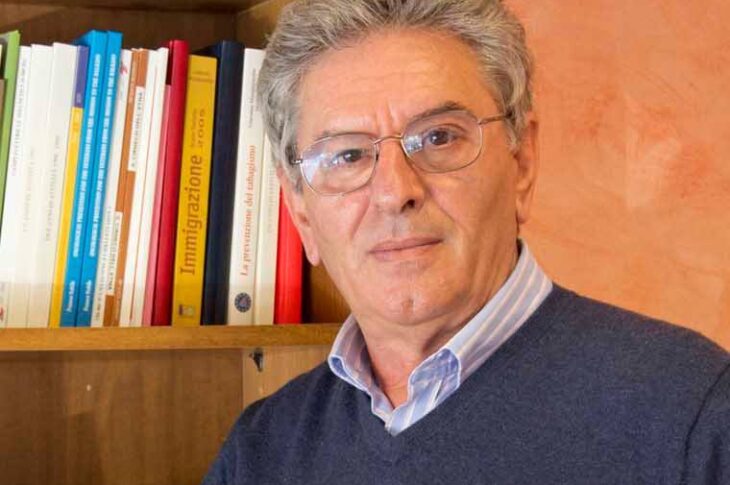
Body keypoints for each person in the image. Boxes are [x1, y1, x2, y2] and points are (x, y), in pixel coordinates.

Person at [203, 1, 730, 483]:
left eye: (439, 137)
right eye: (348, 155)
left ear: (522, 163)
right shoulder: (261, 450)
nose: (395, 192)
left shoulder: (694, 412)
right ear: (300, 211)